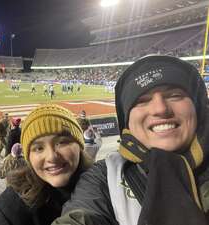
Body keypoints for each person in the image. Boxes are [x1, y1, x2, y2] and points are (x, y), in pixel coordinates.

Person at [52, 55, 209, 225]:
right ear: (126, 121)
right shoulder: (104, 177)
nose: (160, 109)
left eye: (175, 95)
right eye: (142, 101)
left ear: (199, 107)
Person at [0, 104, 93, 225]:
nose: (52, 157)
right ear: (28, 157)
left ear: (80, 146)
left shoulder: (105, 182)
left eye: (62, 142)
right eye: (38, 148)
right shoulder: (16, 200)